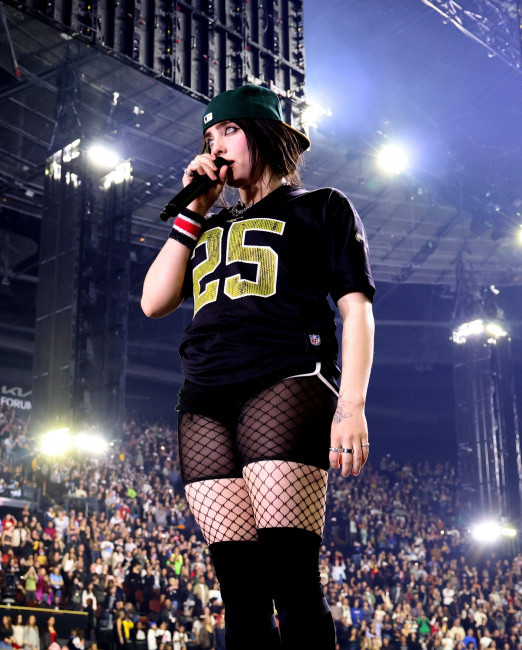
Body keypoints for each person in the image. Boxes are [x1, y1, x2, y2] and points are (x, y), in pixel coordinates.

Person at [141, 83, 375, 650]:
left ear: (266, 136)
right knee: (241, 593)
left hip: (286, 378)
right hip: (203, 394)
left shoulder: (321, 206)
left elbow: (356, 310)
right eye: (209, 138)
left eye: (229, 130)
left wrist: (351, 405)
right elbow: (153, 301)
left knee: (290, 578)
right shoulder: (207, 224)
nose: (216, 146)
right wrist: (194, 210)